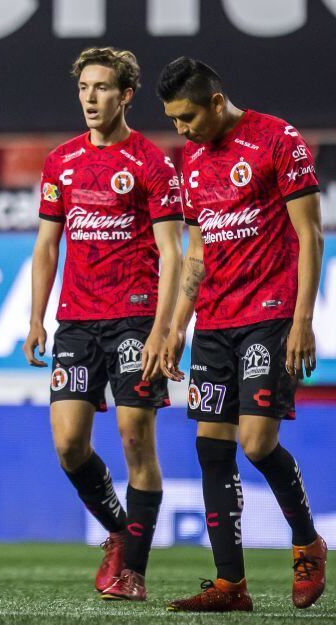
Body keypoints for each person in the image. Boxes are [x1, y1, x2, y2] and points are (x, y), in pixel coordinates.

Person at [158, 57, 326, 612]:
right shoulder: (193, 158)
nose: (181, 130)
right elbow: (198, 252)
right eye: (173, 120)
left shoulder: (278, 139)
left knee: (256, 443)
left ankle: (307, 545)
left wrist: (303, 320)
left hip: (271, 314)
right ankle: (231, 585)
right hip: (215, 322)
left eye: (186, 117)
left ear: (214, 100)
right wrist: (177, 326)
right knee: (212, 448)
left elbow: (310, 235)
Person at [23, 47, 184, 601]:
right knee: (69, 445)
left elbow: (172, 251)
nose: (91, 98)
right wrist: (36, 318)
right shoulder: (60, 162)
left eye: (102, 88)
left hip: (135, 318)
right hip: (76, 322)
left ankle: (133, 570)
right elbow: (48, 245)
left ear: (127, 95)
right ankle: (119, 530)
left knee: (135, 437)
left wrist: (164, 329)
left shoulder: (152, 163)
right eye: (84, 88)